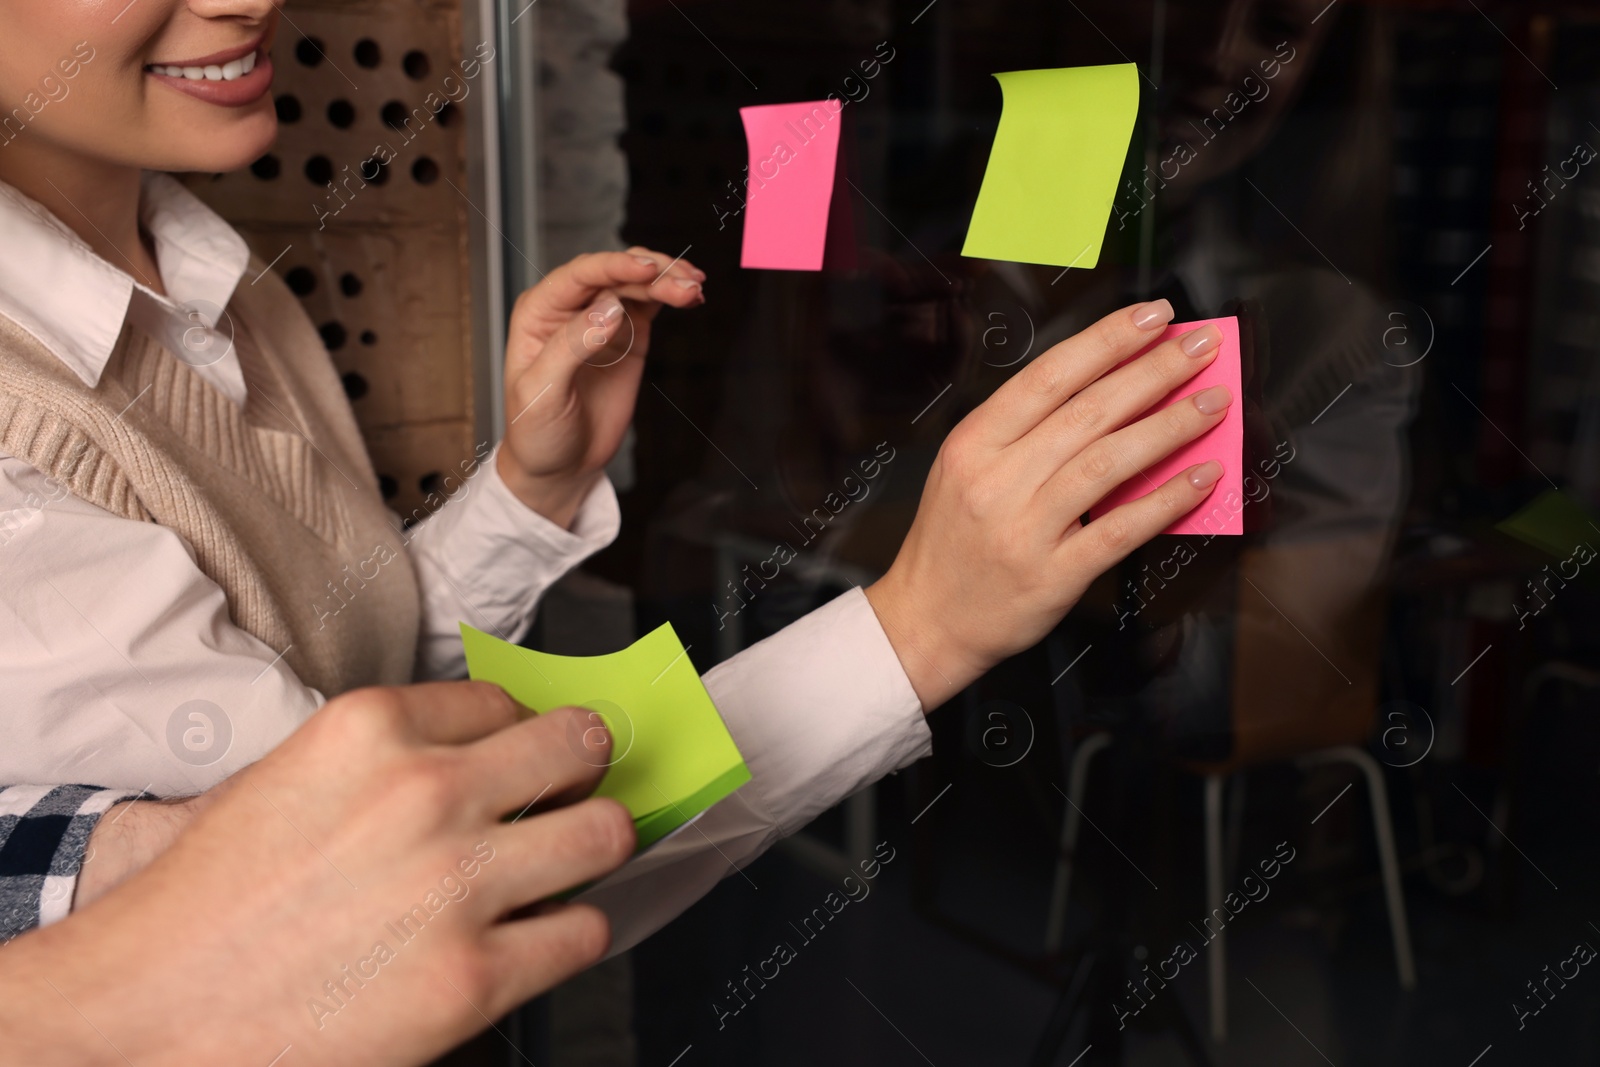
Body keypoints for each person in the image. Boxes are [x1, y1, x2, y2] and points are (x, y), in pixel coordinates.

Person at [0, 0, 1235, 1058]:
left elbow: (351, 690)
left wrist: (527, 490)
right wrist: (921, 624)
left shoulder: (220, 277)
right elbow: (424, 882)